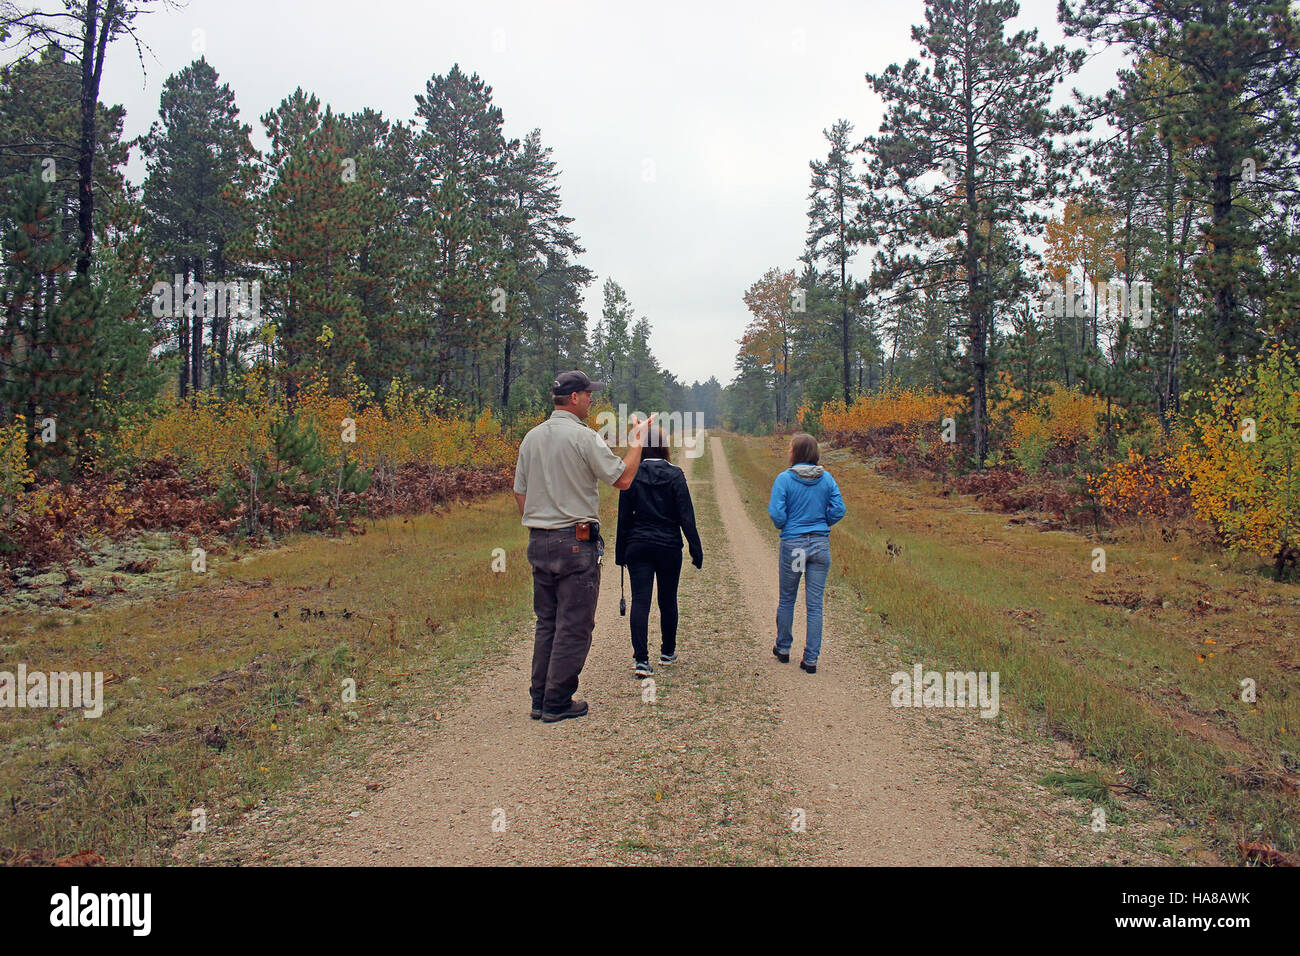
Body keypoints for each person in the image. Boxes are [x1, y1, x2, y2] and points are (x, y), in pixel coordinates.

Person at [513, 370, 656, 723]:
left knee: (547, 621)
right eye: (589, 394)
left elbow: (520, 491)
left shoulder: (531, 439)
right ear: (574, 397)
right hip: (574, 545)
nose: (592, 399)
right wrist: (638, 441)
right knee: (574, 624)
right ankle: (557, 701)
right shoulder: (583, 437)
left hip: (539, 540)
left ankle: (540, 698)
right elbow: (622, 478)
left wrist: (541, 521)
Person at [614, 425, 703, 678]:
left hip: (638, 545)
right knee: (667, 599)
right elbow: (686, 516)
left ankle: (641, 660)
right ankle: (667, 651)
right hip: (668, 546)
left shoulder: (632, 475)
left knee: (640, 600)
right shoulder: (675, 475)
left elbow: (623, 518)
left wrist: (621, 554)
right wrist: (696, 549)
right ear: (663, 446)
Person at [767, 432, 845, 674]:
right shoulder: (827, 478)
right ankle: (811, 659)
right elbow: (839, 509)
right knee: (815, 605)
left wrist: (788, 525)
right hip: (820, 545)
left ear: (795, 453)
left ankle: (783, 648)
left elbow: (777, 514)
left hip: (795, 545)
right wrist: (823, 521)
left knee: (788, 598)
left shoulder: (784, 479)